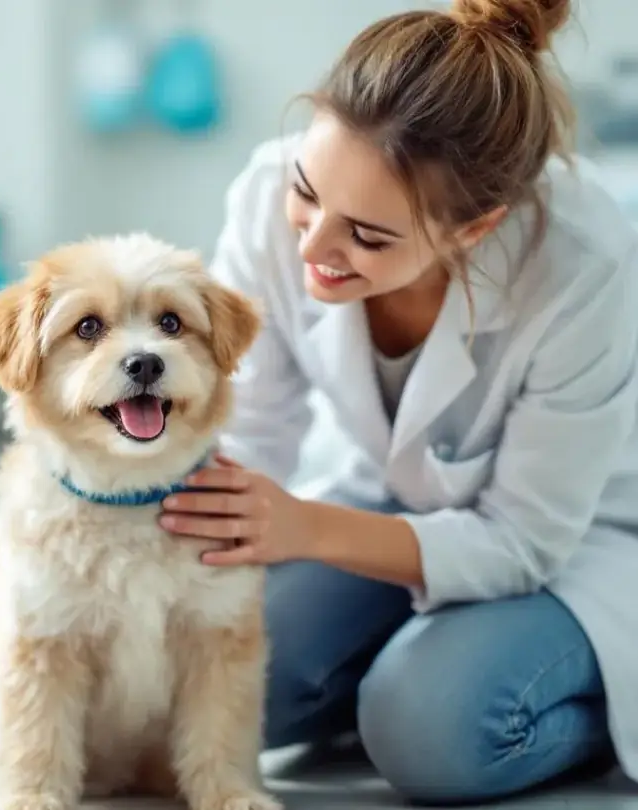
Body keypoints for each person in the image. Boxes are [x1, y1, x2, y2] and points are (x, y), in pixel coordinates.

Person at [157, 0, 638, 804]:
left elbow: (524, 540)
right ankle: (410, 665)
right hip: (387, 502)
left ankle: (546, 701)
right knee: (213, 689)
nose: (311, 247)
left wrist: (304, 528)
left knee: (427, 733)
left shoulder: (582, 265)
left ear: (474, 229)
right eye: (309, 193)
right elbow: (248, 429)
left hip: (575, 542)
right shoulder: (267, 195)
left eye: (367, 237)